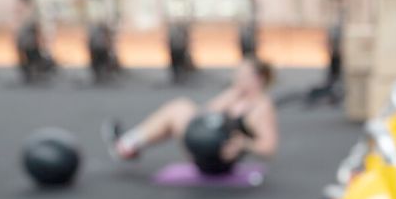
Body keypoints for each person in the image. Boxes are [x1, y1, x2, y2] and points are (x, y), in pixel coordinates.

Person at [103, 56, 278, 174]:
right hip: (203, 146)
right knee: (179, 112)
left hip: (219, 160)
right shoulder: (235, 95)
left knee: (178, 108)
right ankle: (129, 145)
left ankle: (126, 144)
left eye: (243, 75)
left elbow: (269, 148)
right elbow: (206, 114)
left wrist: (244, 144)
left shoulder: (261, 107)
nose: (238, 79)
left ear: (258, 79)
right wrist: (231, 96)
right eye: (237, 74)